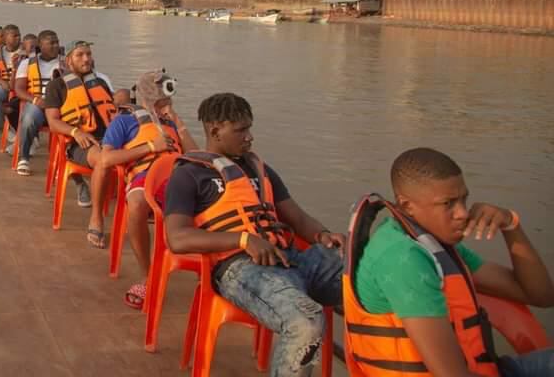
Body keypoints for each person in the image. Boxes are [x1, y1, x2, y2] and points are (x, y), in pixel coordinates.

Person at [165, 93, 345, 377]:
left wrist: (323, 235)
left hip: (289, 259)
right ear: (215, 130)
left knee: (367, 279)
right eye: (240, 130)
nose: (249, 137)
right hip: (241, 271)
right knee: (306, 321)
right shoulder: (189, 175)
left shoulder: (260, 170)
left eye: (249, 128)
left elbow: (295, 217)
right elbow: (177, 238)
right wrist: (243, 240)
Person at [345, 147, 554, 377]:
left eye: (464, 199)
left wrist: (510, 224)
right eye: (448, 204)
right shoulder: (404, 259)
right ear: (407, 206)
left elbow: (540, 295)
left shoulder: (435, 245)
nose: (463, 213)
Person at [99, 70, 196, 308]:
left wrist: (179, 123)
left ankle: (219, 274)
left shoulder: (172, 122)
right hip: (147, 178)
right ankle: (148, 274)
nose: (168, 100)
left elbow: (195, 156)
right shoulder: (125, 120)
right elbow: (107, 159)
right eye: (163, 93)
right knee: (137, 203)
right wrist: (151, 146)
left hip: (180, 177)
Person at [44, 40, 118, 249]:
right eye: (80, 55)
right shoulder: (56, 86)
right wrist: (75, 131)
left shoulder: (100, 84)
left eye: (89, 54)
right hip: (80, 143)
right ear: (68, 60)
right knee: (103, 161)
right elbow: (53, 121)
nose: (86, 59)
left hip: (109, 139)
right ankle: (96, 218)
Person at [12, 29, 62, 173]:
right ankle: (24, 158)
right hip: (37, 104)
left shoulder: (66, 63)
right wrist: (35, 100)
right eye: (51, 43)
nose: (55, 46)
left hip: (59, 106)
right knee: (29, 117)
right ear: (40, 44)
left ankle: (63, 162)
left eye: (57, 42)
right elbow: (19, 89)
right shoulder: (27, 63)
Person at [0, 25, 21, 145]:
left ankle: (21, 132)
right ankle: (4, 129)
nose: (18, 38)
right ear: (6, 38)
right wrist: (2, 82)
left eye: (19, 35)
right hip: (6, 85)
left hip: (21, 87)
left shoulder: (24, 52)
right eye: (15, 36)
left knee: (9, 108)